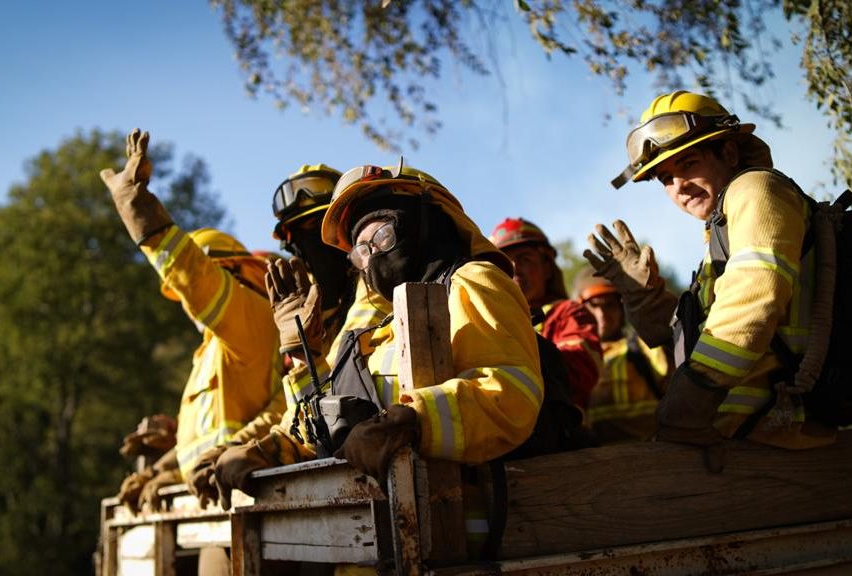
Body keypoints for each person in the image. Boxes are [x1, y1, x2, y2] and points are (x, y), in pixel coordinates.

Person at [212, 164, 543, 559]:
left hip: (450, 547)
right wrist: (270, 448)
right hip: (365, 546)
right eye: (360, 248)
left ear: (424, 222)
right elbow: (327, 423)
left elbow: (509, 392)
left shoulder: (472, 282)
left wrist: (413, 421)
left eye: (382, 234)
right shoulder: (364, 330)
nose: (371, 255)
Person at [591, 90, 836, 470]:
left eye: (688, 163)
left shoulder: (755, 190)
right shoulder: (721, 233)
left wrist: (690, 403)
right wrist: (645, 299)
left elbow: (754, 299)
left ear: (729, 152)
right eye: (665, 178)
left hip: (783, 445)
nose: (678, 187)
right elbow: (697, 334)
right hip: (747, 440)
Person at [100, 129, 284, 520]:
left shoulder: (251, 317)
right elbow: (198, 443)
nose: (184, 301)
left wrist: (137, 207)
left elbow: (193, 276)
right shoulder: (212, 352)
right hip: (212, 502)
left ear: (230, 271)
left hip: (242, 505)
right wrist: (162, 471)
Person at [187, 164, 391, 509]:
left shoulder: (381, 298)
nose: (305, 249)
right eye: (295, 239)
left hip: (388, 491)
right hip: (344, 499)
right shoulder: (315, 319)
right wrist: (249, 447)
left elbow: (360, 402)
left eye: (314, 227)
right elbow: (295, 413)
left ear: (341, 228)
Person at [488, 218, 602, 410]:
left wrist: (518, 351)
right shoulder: (488, 318)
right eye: (505, 264)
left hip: (560, 432)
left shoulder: (568, 313)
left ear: (547, 268)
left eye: (525, 259)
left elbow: (581, 367)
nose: (515, 269)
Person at [573, 267, 670, 443]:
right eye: (593, 306)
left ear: (621, 307)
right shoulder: (574, 356)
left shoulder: (645, 347)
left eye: (609, 305)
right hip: (592, 463)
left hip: (649, 460)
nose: (601, 315)